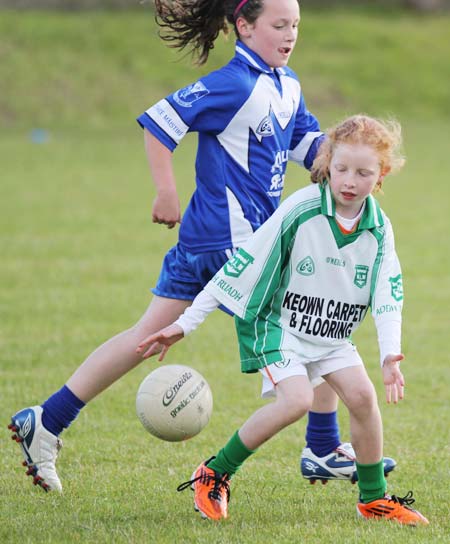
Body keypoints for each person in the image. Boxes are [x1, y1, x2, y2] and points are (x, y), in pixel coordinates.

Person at [8, 0, 391, 493]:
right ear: (244, 26)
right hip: (233, 243)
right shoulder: (232, 84)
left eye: (295, 24)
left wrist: (359, 160)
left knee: (147, 333)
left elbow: (308, 150)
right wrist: (166, 190)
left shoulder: (286, 84)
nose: (290, 33)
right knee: (312, 315)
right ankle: (320, 447)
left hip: (206, 244)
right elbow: (161, 123)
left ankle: (48, 418)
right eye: (279, 25)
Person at [137, 114, 429, 526]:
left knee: (363, 399)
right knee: (296, 400)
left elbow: (387, 294)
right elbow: (242, 265)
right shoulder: (301, 209)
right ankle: (214, 472)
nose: (349, 180)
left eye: (363, 173)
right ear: (327, 161)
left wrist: (390, 354)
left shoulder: (379, 228)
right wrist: (186, 322)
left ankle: (373, 499)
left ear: (381, 174)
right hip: (276, 325)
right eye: (342, 168)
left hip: (329, 334)